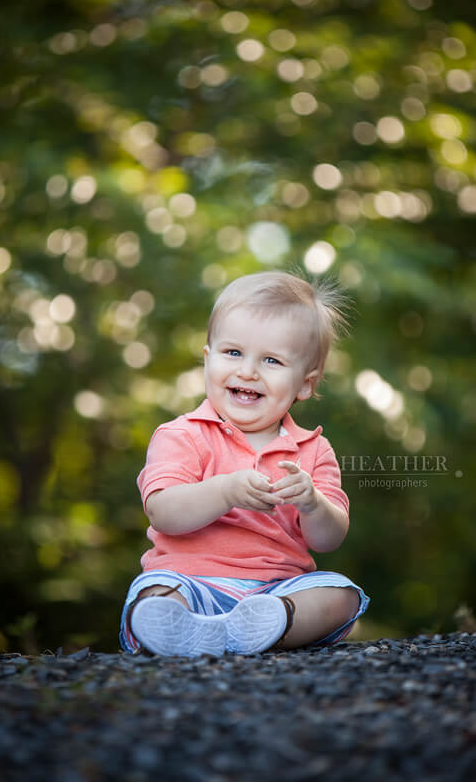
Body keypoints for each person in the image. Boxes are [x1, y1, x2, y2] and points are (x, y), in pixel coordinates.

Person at [119, 270, 370, 657]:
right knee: (157, 592)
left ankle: (271, 623)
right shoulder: (183, 435)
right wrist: (225, 490)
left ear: (305, 383)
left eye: (271, 360)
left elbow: (329, 539)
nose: (248, 371)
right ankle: (175, 626)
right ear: (208, 360)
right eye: (233, 353)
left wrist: (313, 503)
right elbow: (163, 513)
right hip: (189, 581)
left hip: (273, 590)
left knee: (343, 596)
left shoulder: (313, 450)